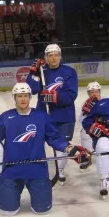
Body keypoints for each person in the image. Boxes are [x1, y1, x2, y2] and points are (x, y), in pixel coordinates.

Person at [0, 83, 90, 216]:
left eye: (25, 96)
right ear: (14, 98)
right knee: (8, 212)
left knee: (42, 210)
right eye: (19, 96)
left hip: (37, 169)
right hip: (12, 170)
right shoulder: (6, 118)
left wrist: (70, 148)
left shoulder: (41, 116)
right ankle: (6, 196)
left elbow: (54, 138)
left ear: (30, 97)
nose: (23, 99)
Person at [26, 43, 78, 184]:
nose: (54, 58)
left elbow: (72, 95)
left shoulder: (69, 72)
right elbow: (32, 90)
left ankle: (59, 171)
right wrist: (33, 74)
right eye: (50, 55)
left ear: (60, 57)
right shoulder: (41, 71)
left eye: (56, 55)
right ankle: (39, 171)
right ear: (46, 57)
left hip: (64, 116)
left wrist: (55, 97)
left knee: (61, 146)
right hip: (43, 115)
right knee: (37, 145)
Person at [79, 81, 103, 171]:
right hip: (91, 127)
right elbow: (81, 120)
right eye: (92, 92)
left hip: (103, 127)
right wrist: (86, 111)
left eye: (96, 91)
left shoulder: (106, 101)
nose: (94, 94)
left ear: (99, 92)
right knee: (84, 133)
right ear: (88, 93)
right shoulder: (85, 103)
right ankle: (87, 158)